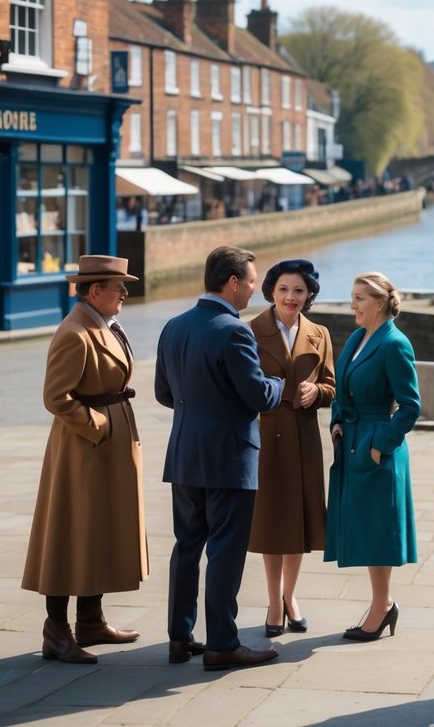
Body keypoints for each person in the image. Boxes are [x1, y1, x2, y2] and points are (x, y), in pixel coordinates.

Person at [155, 246, 285, 671]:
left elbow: (163, 394)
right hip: (229, 458)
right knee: (226, 551)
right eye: (250, 282)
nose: (254, 290)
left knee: (187, 546)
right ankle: (223, 644)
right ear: (232, 282)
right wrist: (279, 383)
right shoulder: (234, 330)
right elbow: (257, 395)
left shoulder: (173, 326)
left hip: (185, 455)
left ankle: (179, 637)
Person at [22, 255, 148, 664]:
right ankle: (55, 630)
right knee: (70, 533)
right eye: (119, 287)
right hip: (84, 450)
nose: (125, 294)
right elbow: (55, 398)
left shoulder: (103, 323)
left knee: (100, 532)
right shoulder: (75, 332)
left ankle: (90, 620)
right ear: (96, 291)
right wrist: (99, 426)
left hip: (106, 447)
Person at [326, 272, 421, 641]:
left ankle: (382, 606)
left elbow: (411, 406)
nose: (353, 305)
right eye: (352, 297)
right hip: (351, 441)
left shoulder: (395, 343)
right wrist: (336, 422)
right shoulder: (356, 337)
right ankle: (383, 603)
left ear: (380, 302)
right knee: (365, 527)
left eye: (360, 298)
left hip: (377, 448)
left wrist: (379, 444)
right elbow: (341, 389)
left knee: (378, 530)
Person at [248, 259, 335, 636]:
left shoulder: (320, 333)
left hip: (303, 436)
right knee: (270, 520)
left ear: (309, 294)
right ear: (271, 292)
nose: (290, 297)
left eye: (299, 290)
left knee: (300, 520)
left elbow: (332, 386)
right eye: (283, 289)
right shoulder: (251, 330)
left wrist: (316, 392)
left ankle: (290, 596)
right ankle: (272, 601)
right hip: (266, 436)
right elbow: (243, 386)